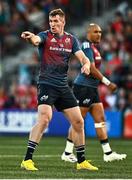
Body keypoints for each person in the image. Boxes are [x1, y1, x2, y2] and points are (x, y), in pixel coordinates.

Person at [20, 9, 98, 171]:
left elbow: (83, 57)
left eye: (56, 21)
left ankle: (81, 161)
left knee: (78, 121)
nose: (53, 24)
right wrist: (31, 38)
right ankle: (27, 160)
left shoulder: (71, 40)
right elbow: (35, 40)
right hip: (46, 83)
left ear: (63, 22)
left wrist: (86, 64)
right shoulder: (45, 35)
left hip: (63, 86)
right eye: (51, 21)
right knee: (45, 118)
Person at [61, 23, 127, 163]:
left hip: (92, 88)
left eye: (100, 32)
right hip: (83, 88)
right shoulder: (86, 46)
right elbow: (90, 68)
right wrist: (108, 83)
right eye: (96, 32)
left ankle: (107, 153)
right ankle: (67, 153)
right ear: (88, 33)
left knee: (100, 119)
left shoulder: (94, 48)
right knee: (78, 121)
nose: (99, 34)